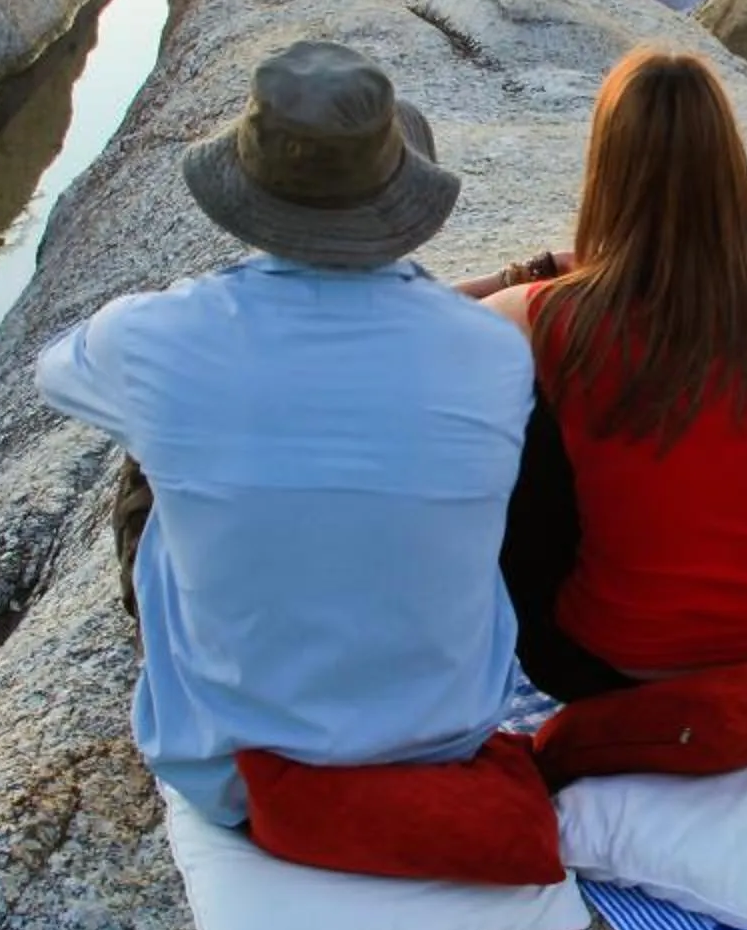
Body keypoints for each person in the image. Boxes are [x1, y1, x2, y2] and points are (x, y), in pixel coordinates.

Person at [35, 40, 533, 829]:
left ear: (249, 189)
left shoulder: (155, 336)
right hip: (448, 738)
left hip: (231, 769)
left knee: (148, 443)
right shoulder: (494, 352)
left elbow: (53, 371)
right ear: (395, 189)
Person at [483, 47, 747, 699]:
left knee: (520, 417)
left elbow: (420, 323)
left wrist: (531, 270)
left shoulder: (547, 317)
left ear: (607, 172)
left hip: (597, 670)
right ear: (732, 170)